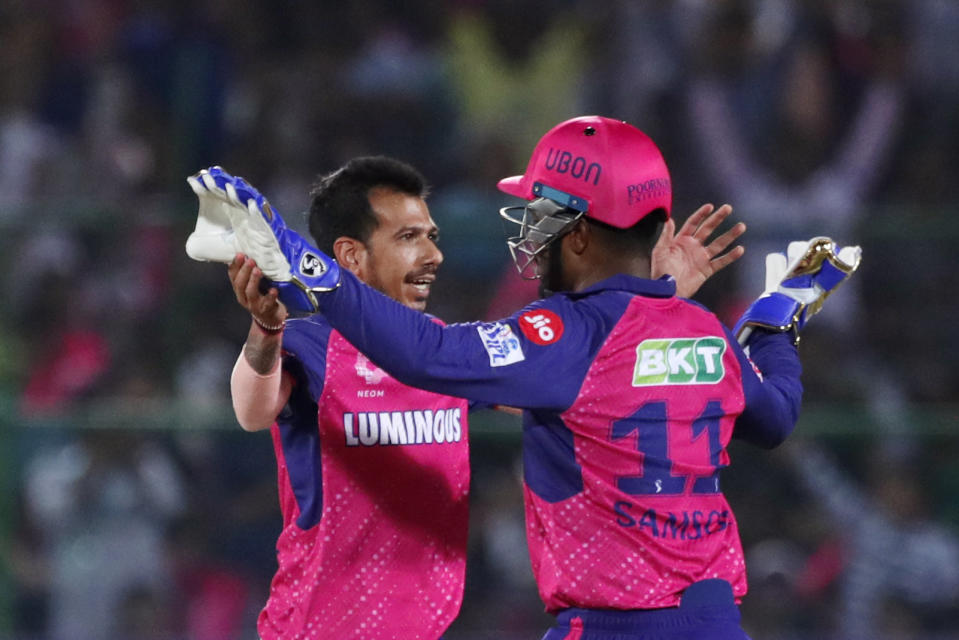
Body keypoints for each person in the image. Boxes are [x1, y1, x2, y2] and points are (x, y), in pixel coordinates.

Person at [214, 115, 860, 639]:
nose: (530, 234)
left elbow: (426, 356)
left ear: (578, 237)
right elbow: (774, 415)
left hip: (611, 628)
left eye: (543, 216)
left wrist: (295, 256)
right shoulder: (697, 329)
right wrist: (774, 323)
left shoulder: (563, 334)